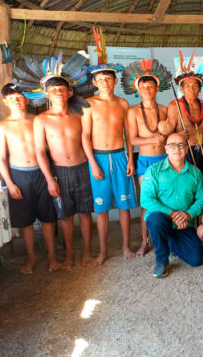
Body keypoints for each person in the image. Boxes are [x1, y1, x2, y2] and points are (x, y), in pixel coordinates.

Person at [0, 84, 59, 274]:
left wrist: (51, 177)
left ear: (27, 99)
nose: (17, 101)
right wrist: (11, 184)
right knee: (26, 222)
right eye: (12, 98)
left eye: (20, 97)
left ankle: (52, 257)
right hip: (18, 175)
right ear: (6, 101)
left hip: (41, 172)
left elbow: (48, 147)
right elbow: (0, 158)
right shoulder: (2, 127)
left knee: (47, 218)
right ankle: (31, 258)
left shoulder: (38, 120)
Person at [34, 77, 95, 269]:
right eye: (54, 90)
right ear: (47, 93)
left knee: (85, 214)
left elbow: (87, 141)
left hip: (83, 168)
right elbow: (40, 152)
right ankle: (69, 256)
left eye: (62, 89)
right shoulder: (41, 119)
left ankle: (86, 253)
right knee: (66, 216)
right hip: (59, 172)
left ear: (69, 93)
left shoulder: (79, 115)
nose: (59, 93)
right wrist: (49, 179)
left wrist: (93, 165)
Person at [82, 65, 138, 263]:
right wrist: (93, 163)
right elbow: (85, 137)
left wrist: (130, 158)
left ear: (115, 81)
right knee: (101, 208)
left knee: (125, 205)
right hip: (99, 158)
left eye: (108, 79)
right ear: (95, 83)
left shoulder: (123, 104)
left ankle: (126, 246)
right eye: (101, 79)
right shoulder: (88, 104)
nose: (105, 82)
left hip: (120, 157)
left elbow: (129, 136)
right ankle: (103, 250)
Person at [140, 133, 203, 278]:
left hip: (183, 223)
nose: (177, 148)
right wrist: (171, 213)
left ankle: (170, 241)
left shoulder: (195, 173)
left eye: (181, 145)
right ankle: (162, 261)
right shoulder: (153, 171)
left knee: (196, 260)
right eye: (172, 145)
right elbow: (146, 200)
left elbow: (202, 199)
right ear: (166, 149)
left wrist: (188, 214)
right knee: (155, 219)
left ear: (187, 149)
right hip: (162, 220)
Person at [124, 59, 172, 254]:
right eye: (143, 86)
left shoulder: (165, 110)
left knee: (168, 200)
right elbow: (133, 140)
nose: (147, 89)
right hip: (145, 162)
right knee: (148, 203)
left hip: (165, 161)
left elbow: (170, 136)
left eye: (150, 86)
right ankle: (145, 241)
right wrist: (153, 139)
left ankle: (167, 238)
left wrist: (166, 137)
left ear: (156, 88)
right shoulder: (133, 112)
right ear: (138, 89)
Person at [167, 51, 203, 177]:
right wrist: (176, 135)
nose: (191, 88)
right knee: (188, 183)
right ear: (181, 89)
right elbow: (168, 132)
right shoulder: (175, 106)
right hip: (187, 151)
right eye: (187, 85)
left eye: (195, 85)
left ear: (200, 89)